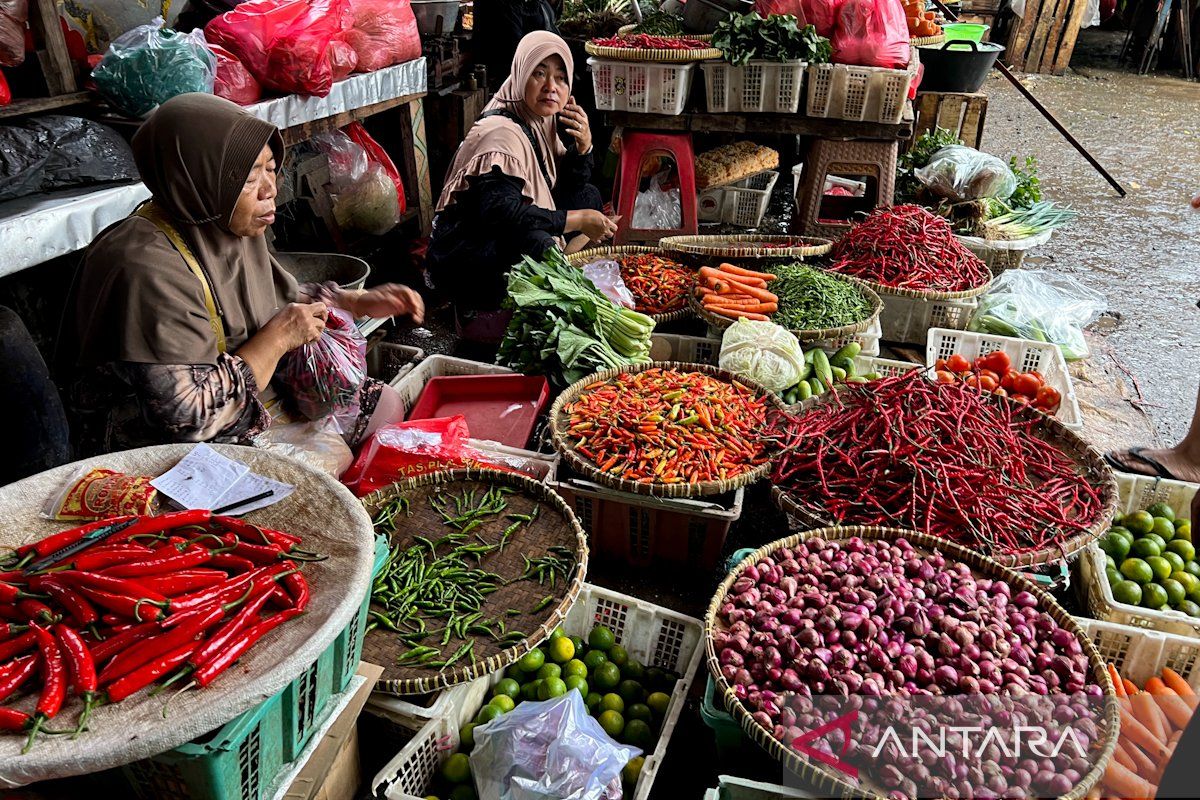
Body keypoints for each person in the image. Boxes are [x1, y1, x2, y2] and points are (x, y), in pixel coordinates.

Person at [64, 93, 424, 456]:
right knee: (326, 464)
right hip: (158, 442)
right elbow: (188, 418)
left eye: (271, 168)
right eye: (250, 178)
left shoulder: (220, 220)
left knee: (385, 406)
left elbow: (266, 294)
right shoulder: (145, 267)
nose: (271, 190)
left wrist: (351, 301)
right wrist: (278, 339)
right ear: (198, 177)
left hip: (249, 397)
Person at [426, 31, 616, 345]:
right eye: (538, 74)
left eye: (560, 78)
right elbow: (501, 213)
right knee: (538, 241)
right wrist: (579, 221)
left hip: (497, 235)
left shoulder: (540, 122)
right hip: (466, 256)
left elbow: (570, 185)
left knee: (589, 197)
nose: (551, 87)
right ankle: (495, 312)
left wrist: (584, 146)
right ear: (519, 75)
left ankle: (559, 263)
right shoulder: (500, 132)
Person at [473, 0, 563, 92]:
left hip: (530, 64)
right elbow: (513, 42)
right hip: (506, 70)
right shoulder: (509, 5)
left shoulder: (538, 5)